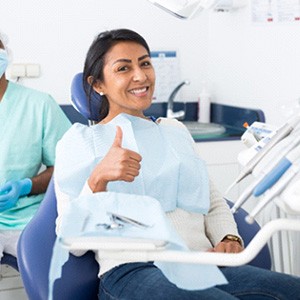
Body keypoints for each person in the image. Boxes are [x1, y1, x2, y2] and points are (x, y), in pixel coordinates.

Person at [54, 28, 300, 300]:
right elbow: (70, 239)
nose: (140, 75)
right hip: (133, 271)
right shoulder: (80, 142)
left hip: (201, 264)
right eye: (124, 68)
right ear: (97, 84)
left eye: (145, 63)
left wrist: (229, 238)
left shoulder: (175, 131)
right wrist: (97, 180)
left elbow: (213, 201)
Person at [0, 30, 71, 261]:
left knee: (60, 269)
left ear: (5, 53)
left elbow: (69, 169)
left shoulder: (39, 105)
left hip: (25, 221)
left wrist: (27, 186)